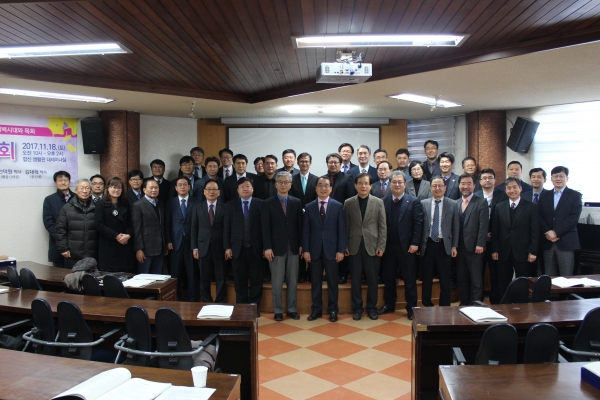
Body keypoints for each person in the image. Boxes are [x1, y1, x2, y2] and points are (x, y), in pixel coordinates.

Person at [378, 171, 423, 320]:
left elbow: (418, 224)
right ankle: (389, 304)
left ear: (405, 184)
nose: (397, 185)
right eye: (394, 182)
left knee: (409, 279)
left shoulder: (414, 201)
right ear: (389, 184)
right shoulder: (383, 201)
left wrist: (415, 243)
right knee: (389, 278)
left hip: (407, 247)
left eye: (400, 182)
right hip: (389, 247)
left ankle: (411, 308)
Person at [303, 176, 346, 322]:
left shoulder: (338, 206)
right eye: (320, 185)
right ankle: (316, 310)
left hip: (332, 250)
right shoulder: (309, 207)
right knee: (315, 282)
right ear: (315, 188)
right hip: (314, 250)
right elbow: (306, 230)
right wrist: (306, 250)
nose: (323, 188)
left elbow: (342, 230)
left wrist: (341, 250)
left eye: (326, 185)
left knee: (333, 282)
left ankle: (333, 310)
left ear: (331, 188)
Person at [344, 173, 387, 321]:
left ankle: (371, 308)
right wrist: (345, 245)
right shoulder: (348, 203)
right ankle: (357, 308)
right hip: (354, 246)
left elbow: (382, 226)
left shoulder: (378, 202)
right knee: (355, 279)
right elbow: (346, 226)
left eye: (366, 183)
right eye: (360, 183)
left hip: (373, 246)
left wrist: (381, 245)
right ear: (355, 185)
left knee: (372, 279)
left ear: (371, 186)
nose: (363, 186)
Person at [261, 171, 303, 321]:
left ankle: (292, 309)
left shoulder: (297, 202)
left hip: (293, 246)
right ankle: (278, 310)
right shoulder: (267, 203)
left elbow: (300, 226)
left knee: (293, 281)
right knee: (277, 281)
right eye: (281, 182)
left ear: (290, 185)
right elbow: (265, 228)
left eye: (286, 182)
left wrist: (301, 244)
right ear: (276, 184)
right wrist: (267, 247)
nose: (283, 184)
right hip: (275, 248)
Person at [492, 177, 539, 296]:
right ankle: (504, 306)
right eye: (509, 188)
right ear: (505, 190)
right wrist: (495, 249)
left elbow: (535, 231)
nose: (512, 190)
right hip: (503, 251)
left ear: (520, 188)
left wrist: (533, 251)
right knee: (503, 282)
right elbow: (495, 230)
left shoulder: (531, 207)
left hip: (523, 251)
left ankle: (521, 308)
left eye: (514, 187)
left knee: (522, 282)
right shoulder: (499, 206)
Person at [224, 178, 264, 315]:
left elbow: (265, 229)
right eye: (242, 186)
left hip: (256, 249)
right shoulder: (230, 205)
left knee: (256, 279)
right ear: (237, 190)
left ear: (252, 188)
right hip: (237, 249)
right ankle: (241, 306)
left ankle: (254, 306)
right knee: (239, 280)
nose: (245, 188)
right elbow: (226, 228)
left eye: (248, 186)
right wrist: (227, 247)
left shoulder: (261, 204)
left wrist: (265, 247)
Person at [420, 176, 459, 307]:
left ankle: (445, 305)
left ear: (445, 187)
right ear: (430, 188)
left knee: (445, 278)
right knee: (427, 278)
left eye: (440, 186)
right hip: (428, 245)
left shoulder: (453, 204)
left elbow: (456, 227)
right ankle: (427, 304)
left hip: (444, 245)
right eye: (434, 186)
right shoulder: (423, 203)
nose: (437, 188)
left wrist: (454, 246)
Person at [539, 166, 582, 276]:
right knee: (549, 276)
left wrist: (556, 232)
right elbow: (539, 216)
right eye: (555, 176)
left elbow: (573, 218)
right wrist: (547, 231)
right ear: (551, 178)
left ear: (567, 178)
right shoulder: (544, 196)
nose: (558, 178)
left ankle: (566, 295)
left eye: (561, 176)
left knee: (566, 277)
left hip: (566, 241)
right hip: (547, 241)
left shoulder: (575, 195)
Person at [473, 168, 507, 304]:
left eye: (490, 177)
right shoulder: (474, 196)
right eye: (484, 178)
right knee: (477, 273)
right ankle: (478, 300)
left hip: (496, 241)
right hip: (478, 241)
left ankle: (496, 300)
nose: (487, 180)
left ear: (495, 180)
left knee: (496, 274)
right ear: (480, 181)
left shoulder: (503, 195)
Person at [456, 173, 489, 305]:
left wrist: (480, 244)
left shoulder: (481, 202)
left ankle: (476, 302)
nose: (466, 186)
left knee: (476, 278)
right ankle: (464, 301)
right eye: (463, 184)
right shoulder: (456, 203)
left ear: (475, 185)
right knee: (462, 276)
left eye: (469, 183)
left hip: (475, 246)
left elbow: (483, 225)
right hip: (459, 247)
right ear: (459, 185)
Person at [191, 179, 227, 303]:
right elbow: (194, 228)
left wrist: (227, 247)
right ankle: (206, 300)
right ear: (204, 192)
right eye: (209, 189)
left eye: (214, 189)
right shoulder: (198, 207)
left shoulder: (225, 207)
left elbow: (227, 229)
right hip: (202, 247)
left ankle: (220, 301)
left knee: (220, 276)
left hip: (220, 247)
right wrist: (194, 247)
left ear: (219, 192)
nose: (211, 192)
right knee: (204, 277)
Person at [165, 176, 201, 301]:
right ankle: (177, 298)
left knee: (192, 273)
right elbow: (167, 223)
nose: (182, 187)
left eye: (185, 184)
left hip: (191, 243)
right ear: (175, 188)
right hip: (175, 242)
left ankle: (192, 299)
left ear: (189, 187)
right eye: (179, 185)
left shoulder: (197, 201)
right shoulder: (170, 202)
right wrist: (168, 240)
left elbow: (199, 224)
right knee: (175, 273)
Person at [325, 153, 356, 284]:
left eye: (335, 162)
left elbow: (350, 199)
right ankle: (330, 272)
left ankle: (343, 273)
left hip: (342, 216)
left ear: (340, 164)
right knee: (328, 245)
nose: (333, 164)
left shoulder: (347, 178)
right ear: (327, 164)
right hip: (326, 218)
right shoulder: (322, 179)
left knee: (341, 245)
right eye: (330, 162)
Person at [55, 179, 98, 270]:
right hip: (72, 255)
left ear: (90, 190)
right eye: (81, 188)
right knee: (73, 281)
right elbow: (60, 230)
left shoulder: (97, 207)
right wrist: (63, 249)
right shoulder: (66, 208)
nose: (84, 191)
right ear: (76, 190)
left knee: (92, 281)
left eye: (87, 188)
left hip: (93, 254)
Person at [94, 177, 133, 272]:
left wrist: (128, 235)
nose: (116, 190)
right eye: (114, 187)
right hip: (108, 245)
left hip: (124, 245)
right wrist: (116, 236)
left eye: (119, 188)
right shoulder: (101, 204)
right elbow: (99, 224)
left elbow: (131, 223)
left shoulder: (125, 203)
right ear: (108, 188)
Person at [132, 179, 166, 274]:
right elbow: (136, 229)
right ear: (144, 190)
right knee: (144, 277)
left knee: (157, 277)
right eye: (151, 188)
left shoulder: (160, 204)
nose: (154, 190)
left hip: (159, 249)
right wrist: (139, 249)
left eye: (156, 188)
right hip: (145, 249)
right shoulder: (138, 205)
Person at [43, 171, 74, 268]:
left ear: (69, 182)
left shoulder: (77, 198)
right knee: (58, 278)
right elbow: (48, 223)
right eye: (60, 180)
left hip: (76, 246)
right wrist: (62, 241)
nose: (63, 182)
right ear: (55, 183)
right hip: (57, 246)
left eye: (65, 180)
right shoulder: (49, 200)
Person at [522, 167, 549, 275]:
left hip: (545, 239)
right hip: (527, 240)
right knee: (529, 271)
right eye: (533, 177)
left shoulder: (549, 195)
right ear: (530, 179)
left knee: (545, 269)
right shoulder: (523, 196)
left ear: (545, 179)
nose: (536, 179)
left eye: (539, 177)